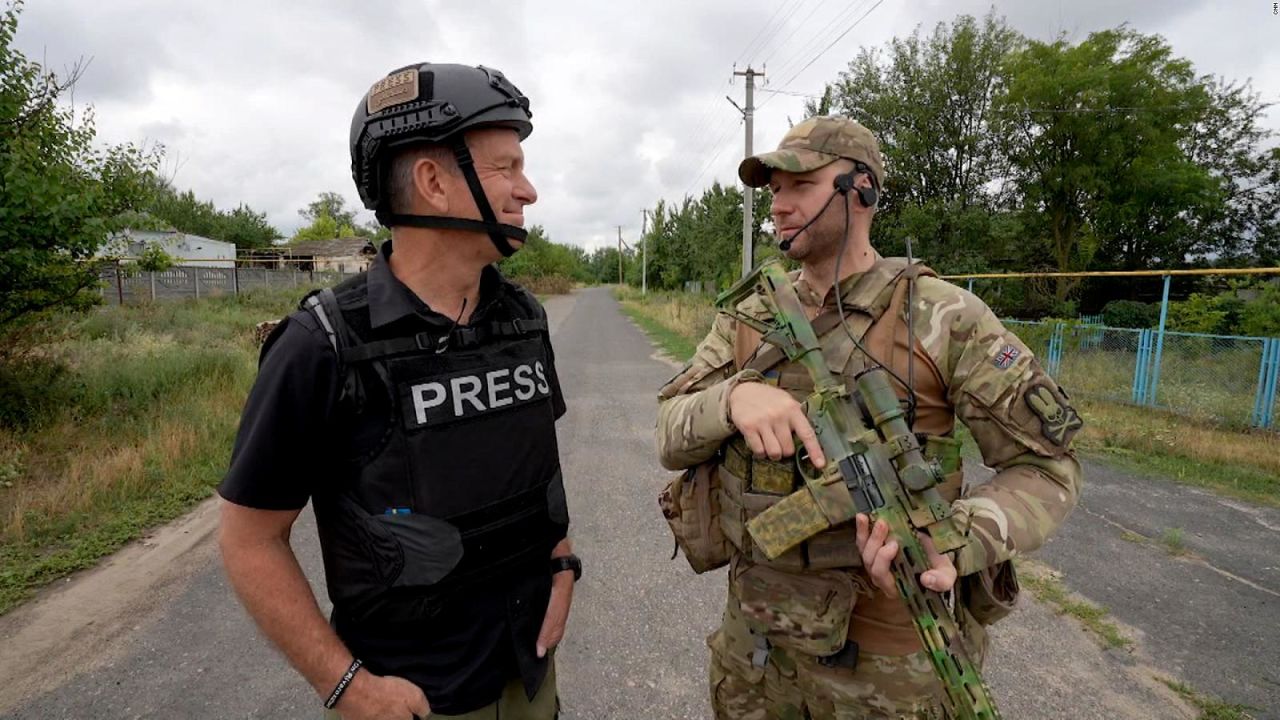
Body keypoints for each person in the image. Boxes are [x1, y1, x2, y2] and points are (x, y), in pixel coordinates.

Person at [655, 115, 1083, 719]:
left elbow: (1048, 467)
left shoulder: (945, 317)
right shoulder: (749, 316)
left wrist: (957, 539)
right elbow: (670, 431)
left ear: (862, 189)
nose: (778, 206)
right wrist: (730, 400)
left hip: (888, 662)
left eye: (799, 186)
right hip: (755, 643)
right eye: (773, 190)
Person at [219, 62, 579, 720]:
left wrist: (562, 566)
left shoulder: (523, 317)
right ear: (434, 182)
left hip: (528, 675)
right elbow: (248, 539)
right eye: (506, 168)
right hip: (408, 699)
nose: (527, 191)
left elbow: (536, 467)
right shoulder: (321, 343)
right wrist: (347, 687)